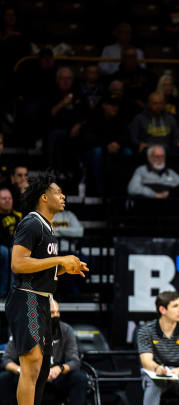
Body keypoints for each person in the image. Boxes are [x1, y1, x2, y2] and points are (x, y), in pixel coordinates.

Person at [6, 173, 88, 405]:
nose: (63, 197)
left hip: (43, 300)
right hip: (27, 298)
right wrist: (58, 260)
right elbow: (18, 263)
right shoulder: (31, 223)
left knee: (41, 370)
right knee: (31, 367)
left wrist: (64, 269)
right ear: (44, 197)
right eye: (58, 192)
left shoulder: (48, 228)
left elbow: (42, 267)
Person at [0, 299, 87, 405]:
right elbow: (6, 359)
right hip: (28, 375)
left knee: (79, 378)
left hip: (55, 374)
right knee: (4, 378)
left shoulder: (66, 330)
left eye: (57, 312)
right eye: (52, 313)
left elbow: (74, 361)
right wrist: (20, 370)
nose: (56, 316)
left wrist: (60, 369)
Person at [137, 291, 179, 405]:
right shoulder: (146, 331)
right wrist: (157, 369)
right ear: (162, 310)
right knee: (155, 383)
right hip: (156, 373)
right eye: (175, 306)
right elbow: (146, 361)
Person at [0, 187, 21, 296]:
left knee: (14, 252)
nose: (7, 201)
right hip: (3, 246)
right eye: (4, 199)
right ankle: (3, 292)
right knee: (6, 252)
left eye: (9, 198)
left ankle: (15, 292)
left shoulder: (18, 216)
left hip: (14, 247)